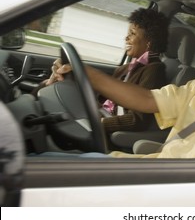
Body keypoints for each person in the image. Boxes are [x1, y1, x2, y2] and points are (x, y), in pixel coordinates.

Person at [53, 11, 195, 158]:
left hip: (166, 191)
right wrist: (83, 71)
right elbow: (145, 99)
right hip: (147, 170)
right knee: (50, 161)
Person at [46, 8, 169, 141]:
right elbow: (103, 96)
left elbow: (138, 119)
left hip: (107, 129)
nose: (126, 38)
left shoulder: (154, 70)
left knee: (55, 129)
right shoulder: (125, 68)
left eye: (132, 34)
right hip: (100, 114)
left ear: (148, 42)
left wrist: (99, 123)